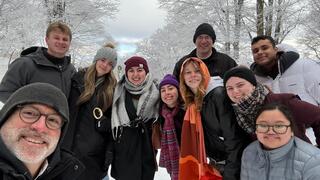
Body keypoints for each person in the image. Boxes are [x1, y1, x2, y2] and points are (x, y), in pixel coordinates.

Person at [178, 57, 247, 180]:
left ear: (204, 72)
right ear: (183, 78)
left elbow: (234, 139)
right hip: (214, 164)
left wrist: (230, 174)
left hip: (232, 165)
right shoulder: (193, 103)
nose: (192, 75)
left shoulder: (217, 96)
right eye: (188, 72)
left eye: (197, 71)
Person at [0, 82, 84, 179]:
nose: (40, 127)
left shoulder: (69, 173)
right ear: (5, 117)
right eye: (29, 113)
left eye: (52, 120)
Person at [223, 66, 320, 145]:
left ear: (253, 85)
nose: (235, 91)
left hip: (300, 163)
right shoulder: (236, 114)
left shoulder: (283, 101)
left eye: (240, 85)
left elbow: (318, 116)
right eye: (229, 88)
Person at [61, 43, 118, 179]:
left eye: (110, 64)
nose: (105, 65)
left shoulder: (112, 89)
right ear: (96, 59)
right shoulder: (76, 79)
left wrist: (105, 124)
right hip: (68, 147)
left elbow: (115, 122)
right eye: (103, 60)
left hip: (93, 153)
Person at [0, 21, 75, 104]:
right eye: (56, 38)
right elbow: (5, 92)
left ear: (69, 43)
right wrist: (29, 110)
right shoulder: (25, 64)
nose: (61, 42)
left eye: (65, 39)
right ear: (47, 40)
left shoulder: (70, 70)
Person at [241, 102, 320, 179]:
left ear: (292, 131)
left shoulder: (313, 161)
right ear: (256, 130)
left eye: (279, 126)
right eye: (263, 125)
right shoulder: (249, 152)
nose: (270, 131)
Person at [110, 56, 159, 180]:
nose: (135, 74)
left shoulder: (157, 92)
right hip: (124, 151)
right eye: (131, 71)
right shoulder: (117, 91)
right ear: (126, 73)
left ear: (146, 72)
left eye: (139, 70)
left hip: (146, 149)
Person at [250, 35, 320, 106]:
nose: (259, 52)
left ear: (275, 49)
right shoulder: (254, 80)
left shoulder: (305, 66)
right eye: (255, 51)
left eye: (264, 48)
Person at [173, 23, 237, 79]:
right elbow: (173, 87)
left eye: (207, 37)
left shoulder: (226, 62)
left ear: (213, 41)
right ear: (195, 41)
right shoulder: (183, 64)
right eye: (200, 37)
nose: (203, 41)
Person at [157, 74, 185, 180]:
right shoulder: (161, 114)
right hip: (174, 162)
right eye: (163, 90)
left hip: (190, 159)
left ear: (178, 90)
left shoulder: (187, 110)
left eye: (170, 88)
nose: (167, 92)